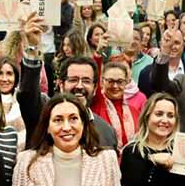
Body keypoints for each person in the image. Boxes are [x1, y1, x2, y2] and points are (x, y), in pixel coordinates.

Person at [16, 15, 118, 149]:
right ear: (61, 84)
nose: (80, 86)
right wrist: (33, 47)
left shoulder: (106, 131)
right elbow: (27, 95)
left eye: (86, 81)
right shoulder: (44, 113)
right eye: (73, 80)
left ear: (95, 88)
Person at [120, 93, 185, 186]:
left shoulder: (184, 149)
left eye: (170, 116)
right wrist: (155, 164)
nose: (165, 120)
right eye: (159, 114)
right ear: (147, 117)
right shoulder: (132, 151)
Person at [92, 61, 142, 149]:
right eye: (110, 81)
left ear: (126, 82)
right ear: (102, 81)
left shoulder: (134, 112)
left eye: (120, 81)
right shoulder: (96, 104)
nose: (115, 86)